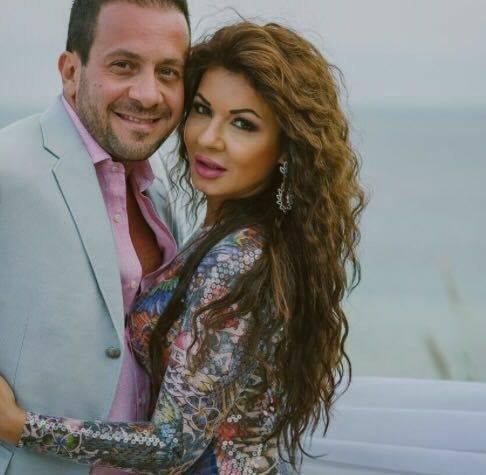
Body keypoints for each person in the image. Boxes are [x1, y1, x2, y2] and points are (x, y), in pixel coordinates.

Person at [0, 21, 366, 474]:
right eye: (202, 110)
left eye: (243, 124)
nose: (209, 138)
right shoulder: (220, 231)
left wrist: (18, 425)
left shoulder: (239, 258)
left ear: (285, 149)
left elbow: (173, 444)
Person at [0, 1, 192, 474]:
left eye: (168, 72)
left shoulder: (157, 194)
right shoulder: (8, 167)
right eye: (124, 65)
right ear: (71, 71)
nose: (147, 94)